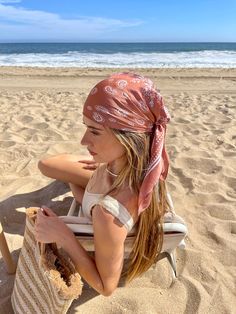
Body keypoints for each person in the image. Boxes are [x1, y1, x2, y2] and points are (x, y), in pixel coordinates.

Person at [35, 72, 171, 296]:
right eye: (86, 127)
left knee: (51, 166)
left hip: (107, 192)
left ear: (128, 138)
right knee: (47, 165)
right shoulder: (146, 170)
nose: (83, 141)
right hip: (115, 174)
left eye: (95, 131)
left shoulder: (107, 214)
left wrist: (64, 236)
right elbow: (87, 200)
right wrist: (98, 166)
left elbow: (106, 287)